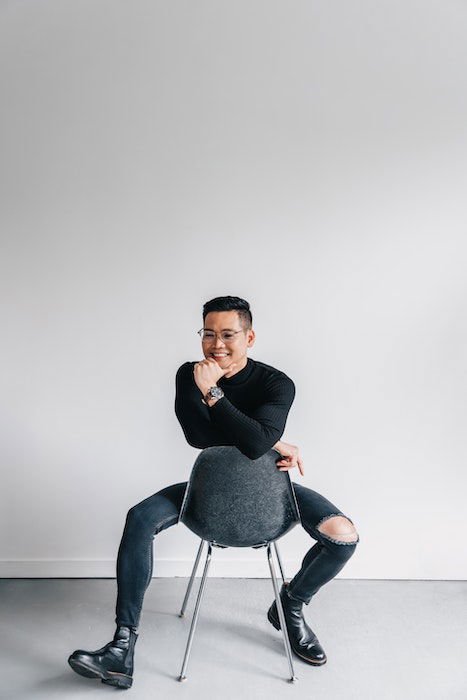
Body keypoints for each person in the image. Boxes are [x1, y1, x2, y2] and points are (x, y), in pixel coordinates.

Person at [68, 295, 359, 689]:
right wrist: (268, 438)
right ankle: (121, 648)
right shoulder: (188, 373)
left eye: (227, 334)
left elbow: (256, 445)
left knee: (343, 537)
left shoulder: (277, 382)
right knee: (139, 518)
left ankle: (290, 605)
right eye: (208, 334)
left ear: (249, 337)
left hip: (273, 488)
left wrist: (217, 397)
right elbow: (199, 437)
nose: (216, 344)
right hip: (209, 488)